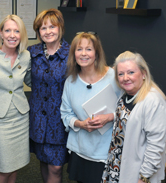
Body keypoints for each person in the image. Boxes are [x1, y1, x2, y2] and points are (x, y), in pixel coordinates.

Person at [60, 32, 122, 183]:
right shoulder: (71, 82)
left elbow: (129, 108)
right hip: (81, 150)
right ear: (73, 54)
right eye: (79, 49)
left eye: (88, 49)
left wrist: (109, 117)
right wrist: (81, 124)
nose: (83, 54)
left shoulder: (114, 77)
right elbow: (65, 114)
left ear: (97, 53)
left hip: (108, 150)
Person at [101, 51, 166, 183]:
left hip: (137, 173)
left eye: (131, 72)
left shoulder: (153, 101)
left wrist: (143, 177)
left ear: (143, 74)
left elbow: (156, 146)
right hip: (117, 164)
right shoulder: (127, 94)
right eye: (121, 74)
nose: (125, 78)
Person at [0, 14, 31, 183]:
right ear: (1, 33)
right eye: (8, 30)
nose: (12, 35)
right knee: (4, 168)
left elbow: (33, 81)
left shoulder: (26, 56)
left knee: (16, 165)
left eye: (17, 31)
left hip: (20, 116)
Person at [27, 8, 70, 183]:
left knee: (56, 166)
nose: (48, 31)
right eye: (43, 28)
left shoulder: (71, 53)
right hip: (38, 117)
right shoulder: (31, 52)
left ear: (60, 28)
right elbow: (9, 59)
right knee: (44, 159)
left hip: (59, 119)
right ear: (38, 32)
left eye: (52, 26)